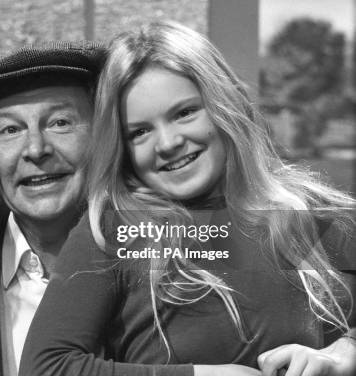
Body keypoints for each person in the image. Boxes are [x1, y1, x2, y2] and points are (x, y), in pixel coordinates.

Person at [19, 21, 356, 376]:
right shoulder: (113, 231)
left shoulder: (322, 215)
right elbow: (47, 367)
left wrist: (346, 351)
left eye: (184, 113)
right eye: (140, 131)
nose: (167, 143)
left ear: (225, 103)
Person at [0, 41, 105, 376]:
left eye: (60, 122)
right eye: (10, 129)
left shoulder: (155, 254)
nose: (36, 149)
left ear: (103, 139)